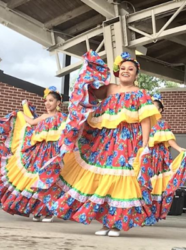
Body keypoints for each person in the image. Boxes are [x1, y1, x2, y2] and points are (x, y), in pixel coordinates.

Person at [34, 50, 161, 237]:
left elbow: (145, 120)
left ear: (136, 74)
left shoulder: (140, 94)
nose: (126, 71)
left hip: (126, 141)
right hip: (104, 141)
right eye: (123, 68)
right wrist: (89, 71)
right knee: (100, 179)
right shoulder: (110, 89)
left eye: (131, 69)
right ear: (118, 72)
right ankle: (104, 223)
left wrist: (145, 144)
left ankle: (116, 223)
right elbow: (89, 91)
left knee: (120, 179)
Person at [0, 87, 66, 222]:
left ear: (58, 102)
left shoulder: (64, 118)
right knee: (37, 180)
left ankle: (48, 212)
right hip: (40, 152)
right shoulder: (43, 117)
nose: (47, 103)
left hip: (55, 152)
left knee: (50, 180)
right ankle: (38, 210)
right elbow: (30, 122)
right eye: (46, 101)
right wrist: (19, 113)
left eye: (51, 100)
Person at [142, 93, 186, 220]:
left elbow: (169, 140)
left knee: (156, 184)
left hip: (157, 157)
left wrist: (179, 149)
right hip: (145, 156)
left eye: (155, 107)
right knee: (142, 182)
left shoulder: (162, 124)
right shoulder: (144, 122)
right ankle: (141, 213)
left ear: (160, 110)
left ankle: (152, 214)